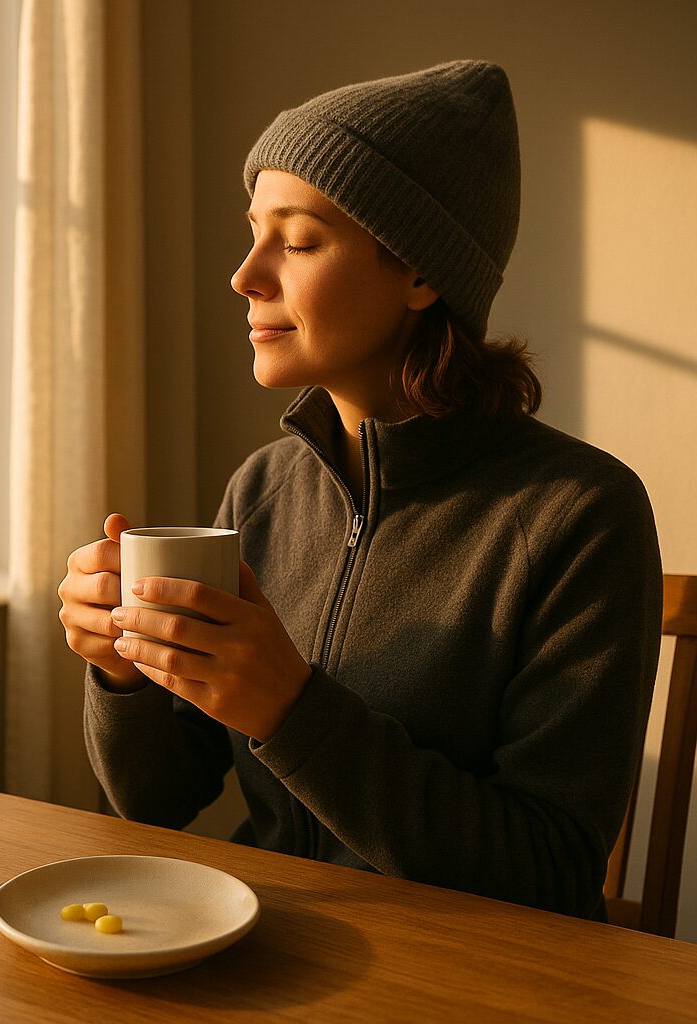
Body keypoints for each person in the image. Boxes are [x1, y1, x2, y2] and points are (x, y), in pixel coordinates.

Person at [57, 60, 662, 920]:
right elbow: (157, 800)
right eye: (253, 233)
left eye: (298, 241)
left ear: (419, 273)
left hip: (463, 973)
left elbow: (553, 871)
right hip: (269, 941)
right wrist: (121, 672)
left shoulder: (582, 515)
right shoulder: (262, 490)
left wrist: (291, 711)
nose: (245, 275)